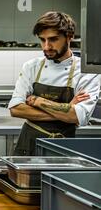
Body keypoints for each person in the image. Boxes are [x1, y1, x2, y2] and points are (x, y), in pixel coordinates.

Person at [8, 11, 100, 155]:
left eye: (53, 39)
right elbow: (16, 109)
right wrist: (67, 109)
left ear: (69, 37)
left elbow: (78, 117)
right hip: (27, 147)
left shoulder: (87, 72)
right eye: (42, 40)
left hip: (63, 148)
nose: (46, 47)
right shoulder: (31, 67)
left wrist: (38, 101)